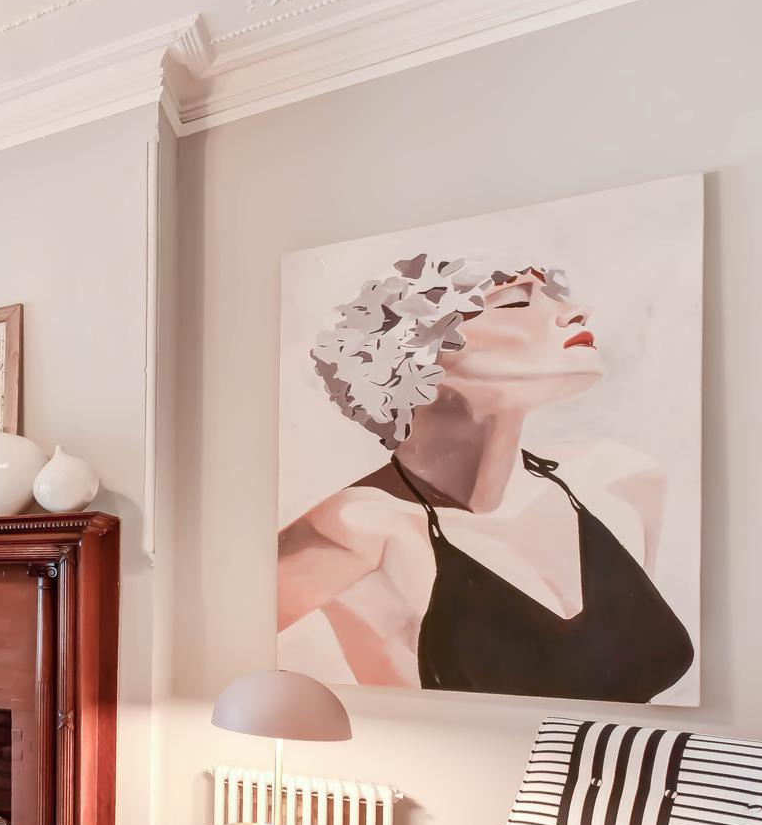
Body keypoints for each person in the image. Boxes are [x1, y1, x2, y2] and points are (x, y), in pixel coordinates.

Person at [277, 255, 692, 700]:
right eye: (515, 302)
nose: (576, 312)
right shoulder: (358, 529)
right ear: (409, 353)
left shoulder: (623, 482)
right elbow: (215, 643)